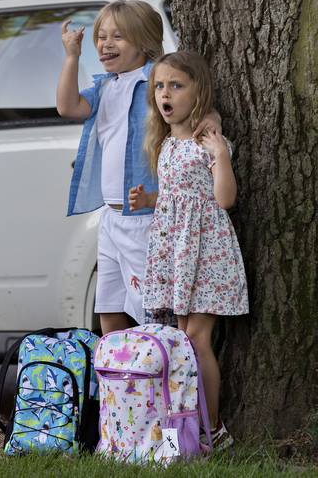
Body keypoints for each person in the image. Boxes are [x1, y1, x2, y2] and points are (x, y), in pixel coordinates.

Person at [56, 0, 219, 334]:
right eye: (101, 36)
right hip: (111, 218)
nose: (106, 43)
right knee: (110, 311)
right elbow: (67, 107)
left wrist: (211, 117)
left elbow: (194, 112)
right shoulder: (104, 87)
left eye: (119, 36)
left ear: (144, 42)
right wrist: (71, 57)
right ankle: (120, 383)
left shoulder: (155, 84)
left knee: (155, 312)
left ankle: (160, 378)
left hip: (146, 217)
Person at [130, 50, 249, 451]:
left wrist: (220, 156)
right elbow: (179, 195)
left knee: (196, 340)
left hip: (204, 254)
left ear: (198, 92)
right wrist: (151, 200)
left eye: (176, 85)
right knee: (181, 341)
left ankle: (214, 428)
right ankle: (186, 424)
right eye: (160, 86)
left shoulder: (208, 142)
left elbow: (224, 198)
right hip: (174, 252)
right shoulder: (165, 143)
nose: (166, 93)